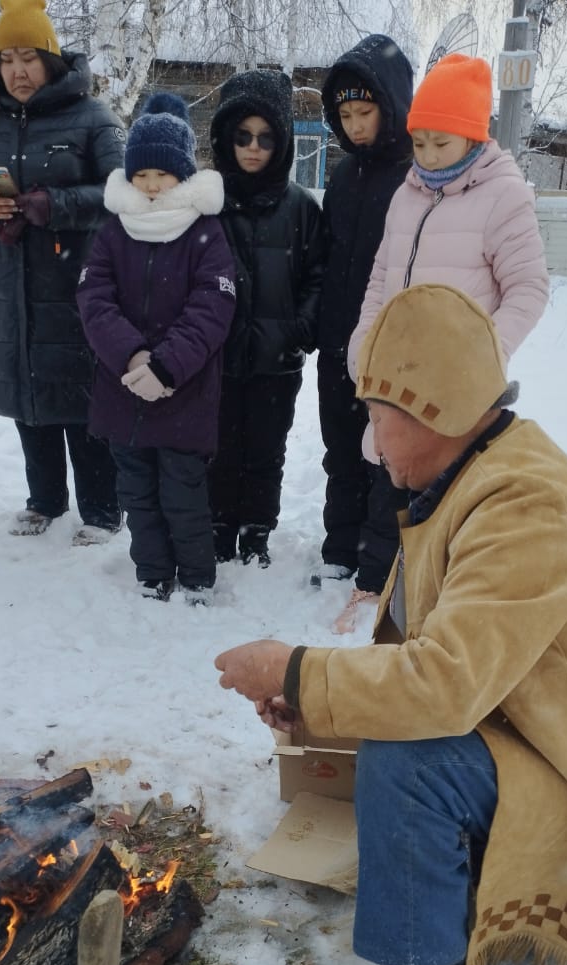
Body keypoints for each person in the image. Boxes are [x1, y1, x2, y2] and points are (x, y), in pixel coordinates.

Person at [214, 284, 567, 965]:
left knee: (409, 761)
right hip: (565, 744)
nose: (371, 444)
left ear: (432, 412)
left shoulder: (521, 505)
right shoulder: (476, 477)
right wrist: (307, 697)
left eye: (378, 417)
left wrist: (296, 669)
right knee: (409, 736)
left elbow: (442, 686)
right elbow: (445, 655)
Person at [0, 0, 124, 543]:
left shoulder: (92, 117)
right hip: (10, 281)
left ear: (51, 58)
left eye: (28, 57)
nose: (17, 71)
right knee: (27, 389)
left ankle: (100, 509)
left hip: (77, 282)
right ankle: (44, 498)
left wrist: (58, 204)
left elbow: (121, 192)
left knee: (82, 391)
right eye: (7, 59)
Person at [76, 95, 236, 603]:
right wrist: (131, 356)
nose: (150, 184)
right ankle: (151, 572)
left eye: (162, 174)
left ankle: (196, 576)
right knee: (137, 495)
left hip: (184, 393)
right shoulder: (111, 232)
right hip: (123, 390)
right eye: (140, 173)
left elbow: (213, 306)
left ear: (182, 176)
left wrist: (166, 364)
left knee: (183, 493)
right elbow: (93, 298)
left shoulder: (205, 232)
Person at [347, 54, 549, 448]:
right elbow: (379, 281)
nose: (429, 156)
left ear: (473, 136)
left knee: (443, 505)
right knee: (387, 505)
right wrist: (365, 344)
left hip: (457, 403)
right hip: (394, 392)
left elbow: (529, 289)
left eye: (441, 142)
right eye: (419, 142)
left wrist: (479, 357)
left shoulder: (503, 196)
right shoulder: (406, 196)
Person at [313, 34, 415, 631]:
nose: (354, 126)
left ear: (392, 106)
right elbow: (328, 258)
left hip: (389, 351)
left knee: (384, 459)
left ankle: (376, 570)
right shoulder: (343, 178)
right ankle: (338, 548)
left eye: (365, 112)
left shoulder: (413, 179)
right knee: (339, 450)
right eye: (345, 115)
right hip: (336, 344)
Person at [207, 70, 324, 568]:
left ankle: (256, 532)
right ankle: (218, 528)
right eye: (243, 137)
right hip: (217, 359)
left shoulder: (300, 207)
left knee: (265, 452)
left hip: (277, 361)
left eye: (266, 138)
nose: (254, 148)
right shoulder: (206, 204)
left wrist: (299, 330)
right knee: (218, 450)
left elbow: (319, 276)